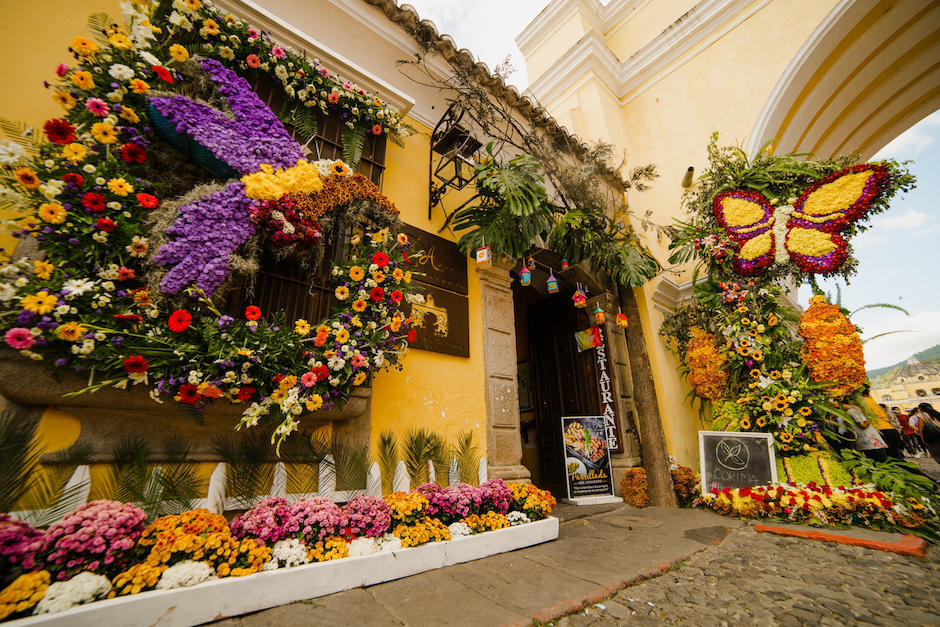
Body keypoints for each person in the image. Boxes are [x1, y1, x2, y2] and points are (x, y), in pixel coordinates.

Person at [862, 388, 903, 460]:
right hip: (891, 430)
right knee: (895, 457)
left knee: (887, 459)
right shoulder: (872, 401)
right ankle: (913, 469)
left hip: (881, 432)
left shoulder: (862, 402)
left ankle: (913, 470)